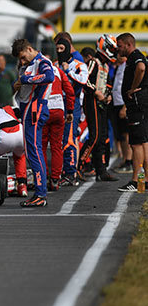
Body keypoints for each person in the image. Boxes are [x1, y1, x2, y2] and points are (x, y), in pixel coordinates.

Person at [12, 38, 54, 207]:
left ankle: (40, 193)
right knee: (32, 151)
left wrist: (25, 80)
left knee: (33, 151)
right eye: (20, 59)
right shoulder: (29, 65)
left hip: (35, 107)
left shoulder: (42, 61)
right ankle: (39, 191)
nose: (22, 61)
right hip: (28, 108)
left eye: (23, 57)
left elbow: (49, 76)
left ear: (30, 49)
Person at [79, 39, 118, 182]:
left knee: (102, 137)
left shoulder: (106, 66)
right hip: (92, 101)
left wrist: (108, 95)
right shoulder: (93, 62)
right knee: (94, 136)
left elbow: (107, 84)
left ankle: (101, 170)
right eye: (111, 49)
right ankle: (78, 166)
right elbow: (84, 80)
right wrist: (96, 92)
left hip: (101, 103)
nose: (113, 53)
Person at [54, 35, 88, 187]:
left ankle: (70, 172)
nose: (59, 52)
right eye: (57, 49)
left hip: (72, 105)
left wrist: (68, 72)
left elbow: (83, 80)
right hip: (56, 105)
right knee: (57, 140)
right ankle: (58, 170)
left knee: (69, 138)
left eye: (62, 49)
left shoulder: (79, 65)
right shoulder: (54, 64)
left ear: (67, 49)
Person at [116, 33, 148, 192]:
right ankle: (146, 179)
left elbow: (141, 68)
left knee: (136, 144)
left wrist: (133, 87)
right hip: (140, 104)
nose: (117, 48)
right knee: (143, 142)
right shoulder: (133, 57)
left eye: (120, 45)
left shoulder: (136, 56)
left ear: (128, 45)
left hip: (137, 105)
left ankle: (136, 181)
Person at [41, 60, 75, 190]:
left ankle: (43, 178)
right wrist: (70, 110)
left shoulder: (37, 70)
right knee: (56, 146)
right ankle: (55, 179)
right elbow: (69, 90)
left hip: (43, 110)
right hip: (59, 110)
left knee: (41, 146)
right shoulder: (58, 71)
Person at [110, 55, 133, 173]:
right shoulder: (119, 67)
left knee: (126, 134)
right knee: (121, 135)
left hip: (122, 104)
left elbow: (128, 87)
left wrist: (125, 106)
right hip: (116, 103)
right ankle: (125, 159)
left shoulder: (127, 67)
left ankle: (129, 161)